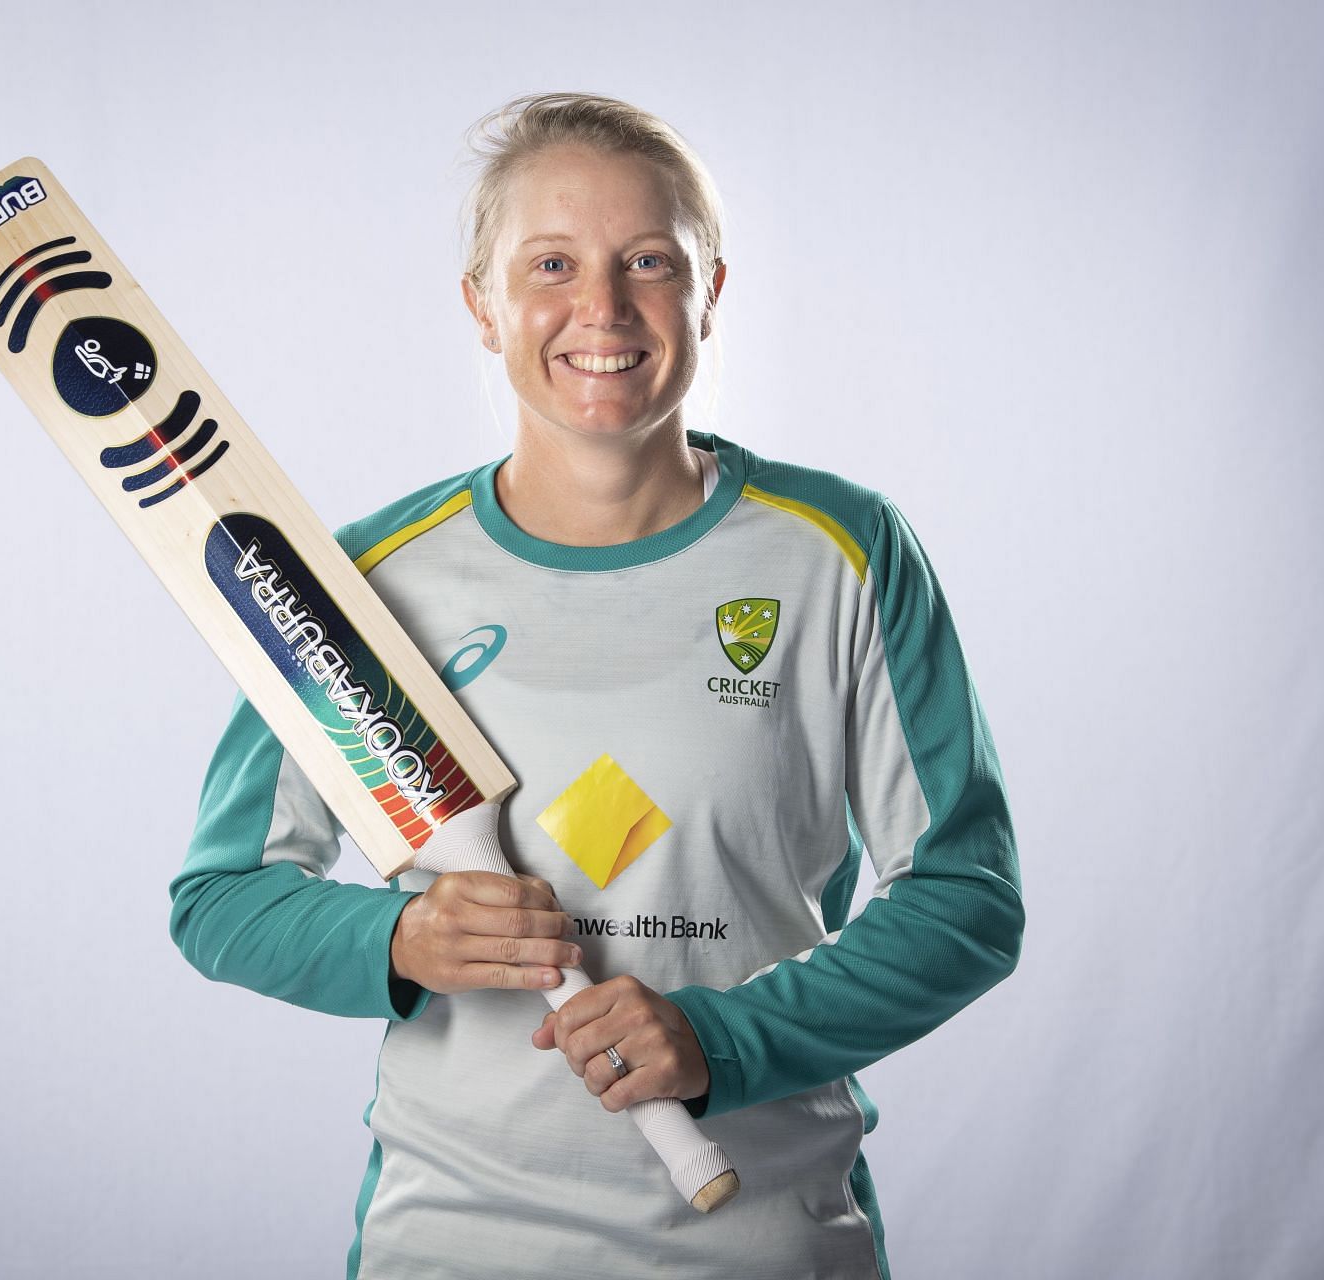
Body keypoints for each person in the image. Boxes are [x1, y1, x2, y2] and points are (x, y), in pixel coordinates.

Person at [169, 92, 1024, 1280]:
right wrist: (404, 934)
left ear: (710, 290)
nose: (602, 309)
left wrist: (723, 1035)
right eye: (552, 263)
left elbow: (966, 899)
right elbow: (222, 899)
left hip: (766, 1243)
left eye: (648, 261)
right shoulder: (358, 584)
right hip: (451, 1241)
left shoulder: (844, 550)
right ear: (483, 305)